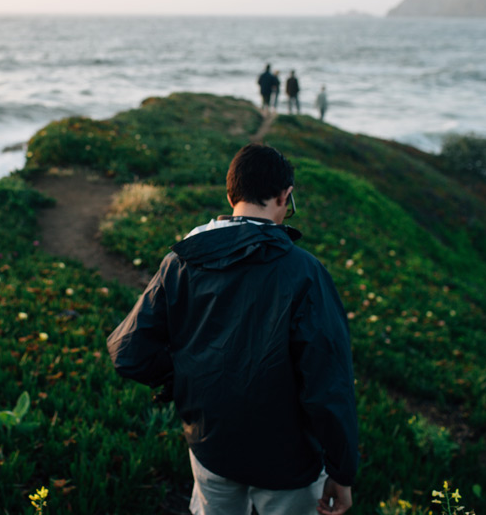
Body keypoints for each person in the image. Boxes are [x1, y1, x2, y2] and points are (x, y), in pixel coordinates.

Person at [107, 143, 359, 515]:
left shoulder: (181, 259)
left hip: (211, 447)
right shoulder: (304, 271)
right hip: (288, 461)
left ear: (231, 195)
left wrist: (187, 378)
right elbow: (328, 383)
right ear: (285, 196)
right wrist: (342, 471)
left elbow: (127, 352)